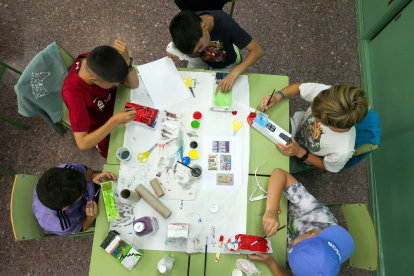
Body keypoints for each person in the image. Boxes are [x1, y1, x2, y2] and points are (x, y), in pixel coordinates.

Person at [248, 168, 354, 275]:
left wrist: (271, 263)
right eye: (294, 248)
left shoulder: (314, 270)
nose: (288, 251)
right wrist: (272, 210)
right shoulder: (314, 213)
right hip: (285, 210)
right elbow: (280, 174)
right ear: (313, 235)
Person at [260, 83, 369, 173]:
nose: (313, 115)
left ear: (330, 124)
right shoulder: (328, 95)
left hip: (301, 157)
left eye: (318, 118)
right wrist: (278, 96)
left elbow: (327, 167)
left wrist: (300, 153)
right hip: (294, 125)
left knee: (266, 168)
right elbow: (299, 87)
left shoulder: (343, 150)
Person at [62, 38, 139, 158]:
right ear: (94, 79)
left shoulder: (98, 60)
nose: (117, 85)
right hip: (103, 127)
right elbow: (82, 144)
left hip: (116, 106)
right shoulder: (73, 94)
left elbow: (134, 84)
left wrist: (127, 60)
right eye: (112, 85)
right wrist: (115, 121)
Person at [168, 10, 263, 93]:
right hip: (200, 60)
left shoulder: (227, 25)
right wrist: (177, 52)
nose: (201, 50)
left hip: (224, 62)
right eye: (197, 49)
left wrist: (234, 74)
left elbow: (257, 51)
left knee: (223, 91)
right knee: (191, 87)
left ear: (204, 27)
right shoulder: (186, 30)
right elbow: (196, 54)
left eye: (201, 46)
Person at [32, 163, 117, 236]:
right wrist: (91, 217)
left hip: (90, 188)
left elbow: (85, 172)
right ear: (65, 207)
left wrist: (94, 175)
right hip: (87, 215)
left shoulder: (64, 172)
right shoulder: (61, 224)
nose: (84, 189)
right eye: (81, 193)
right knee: (112, 221)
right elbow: (83, 227)